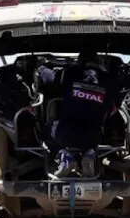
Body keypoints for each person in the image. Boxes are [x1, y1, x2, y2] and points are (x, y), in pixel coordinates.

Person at [35, 49, 121, 179]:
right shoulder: (109, 81)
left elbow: (50, 79)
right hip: (93, 136)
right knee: (95, 134)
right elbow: (114, 108)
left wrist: (40, 68)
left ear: (80, 62)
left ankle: (65, 156)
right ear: (98, 62)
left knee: (45, 130)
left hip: (65, 133)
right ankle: (89, 154)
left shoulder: (70, 72)